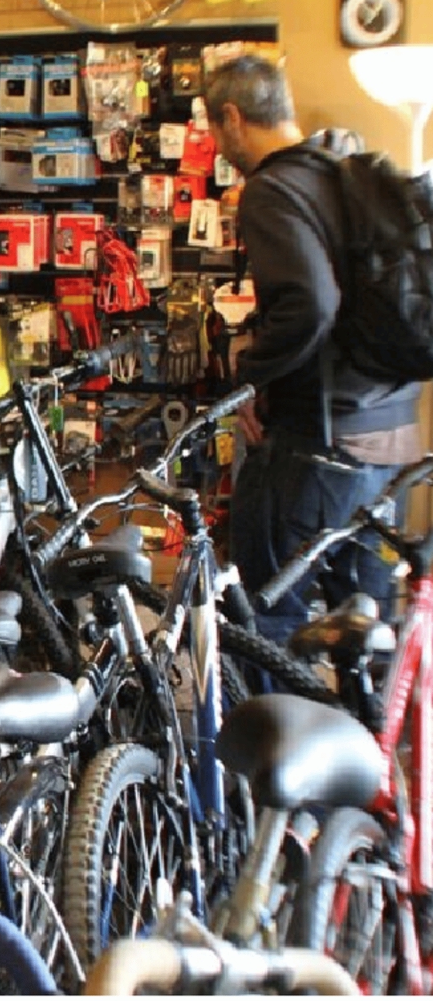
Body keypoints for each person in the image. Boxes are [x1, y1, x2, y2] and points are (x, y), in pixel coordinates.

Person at [205, 54, 423, 644]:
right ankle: (362, 732)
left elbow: (311, 304)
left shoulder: (273, 190)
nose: (216, 145)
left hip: (318, 450)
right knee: (367, 629)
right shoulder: (342, 172)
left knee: (268, 619)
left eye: (213, 129)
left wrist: (249, 379)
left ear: (231, 117)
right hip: (389, 445)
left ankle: (274, 735)